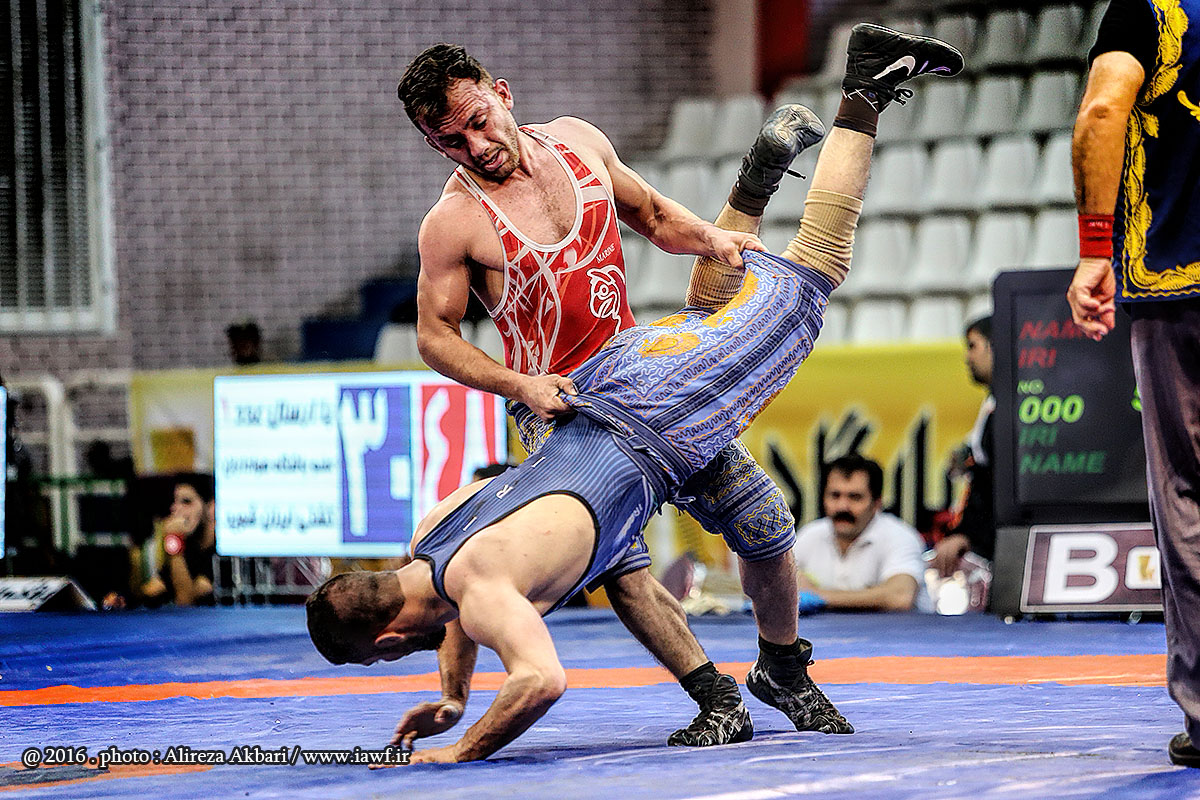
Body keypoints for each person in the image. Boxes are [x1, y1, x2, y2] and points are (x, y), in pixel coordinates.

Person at [304, 25, 964, 764]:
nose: (477, 147)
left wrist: (711, 238)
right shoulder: (453, 222)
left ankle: (781, 666)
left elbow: (652, 216)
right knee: (616, 563)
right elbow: (434, 337)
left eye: (480, 122)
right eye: (451, 142)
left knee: (765, 526)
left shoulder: (578, 143)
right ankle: (717, 697)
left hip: (639, 367)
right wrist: (521, 384)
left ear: (503, 94)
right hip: (562, 405)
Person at [1065, 0, 1200, 769]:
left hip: (1179, 287)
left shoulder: (1151, 9)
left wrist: (1095, 248)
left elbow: (1102, 109)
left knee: (1187, 496)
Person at [793, 455, 932, 614]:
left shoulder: (900, 536)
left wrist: (818, 596)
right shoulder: (810, 534)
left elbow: (900, 597)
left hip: (897, 631)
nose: (842, 506)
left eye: (855, 497)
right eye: (835, 495)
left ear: (877, 503)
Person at [931, 315, 996, 577]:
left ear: (995, 346)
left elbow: (995, 488)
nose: (967, 358)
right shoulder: (991, 404)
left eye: (972, 346)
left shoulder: (1010, 411)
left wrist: (969, 535)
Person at [103, 474, 218, 609]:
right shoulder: (191, 548)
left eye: (186, 502)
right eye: (175, 501)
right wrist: (122, 600)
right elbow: (157, 587)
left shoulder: (223, 551)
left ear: (211, 507)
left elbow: (186, 601)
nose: (176, 508)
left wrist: (174, 541)